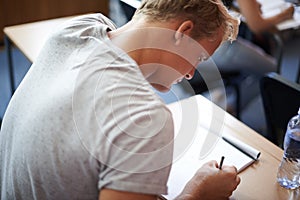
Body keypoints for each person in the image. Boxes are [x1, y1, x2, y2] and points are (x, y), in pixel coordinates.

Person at [0, 0, 241, 199]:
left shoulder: (79, 29)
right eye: (199, 56)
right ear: (183, 32)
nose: (190, 73)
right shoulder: (144, 116)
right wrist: (197, 193)